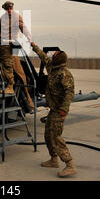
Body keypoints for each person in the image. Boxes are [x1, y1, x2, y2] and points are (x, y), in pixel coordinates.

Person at [31, 42, 76, 178]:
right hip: (53, 109)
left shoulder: (64, 74)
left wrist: (64, 109)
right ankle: (53, 159)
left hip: (59, 110)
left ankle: (69, 165)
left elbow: (69, 92)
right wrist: (33, 45)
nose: (52, 55)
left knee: (56, 137)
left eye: (55, 55)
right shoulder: (52, 66)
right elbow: (42, 55)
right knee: (47, 135)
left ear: (59, 59)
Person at [0, 1, 32, 94]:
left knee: (8, 65)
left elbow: (23, 27)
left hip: (10, 44)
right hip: (1, 43)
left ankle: (10, 86)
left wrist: (28, 37)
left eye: (10, 8)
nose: (9, 10)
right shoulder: (3, 17)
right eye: (7, 9)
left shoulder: (16, 16)